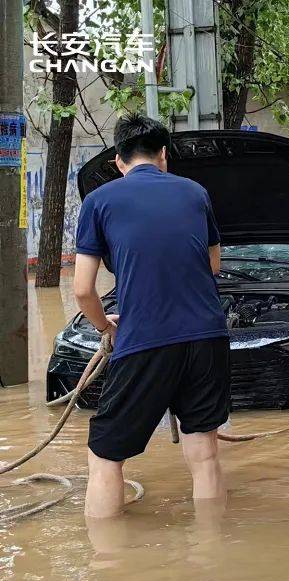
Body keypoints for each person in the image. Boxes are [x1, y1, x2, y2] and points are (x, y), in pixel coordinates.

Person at [74, 113, 230, 519]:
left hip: (144, 339)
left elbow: (82, 290)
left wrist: (104, 326)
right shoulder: (195, 192)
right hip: (206, 336)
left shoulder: (99, 201)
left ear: (118, 162)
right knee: (204, 452)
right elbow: (212, 265)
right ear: (164, 155)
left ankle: (107, 564)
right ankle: (213, 550)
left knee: (105, 456)